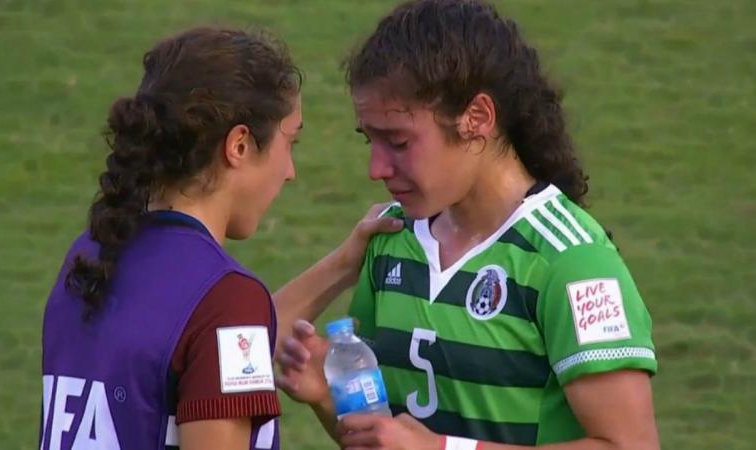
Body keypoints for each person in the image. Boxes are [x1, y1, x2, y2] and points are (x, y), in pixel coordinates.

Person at [276, 1, 661, 449]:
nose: (376, 168)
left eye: (398, 142)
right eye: (370, 140)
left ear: (477, 118)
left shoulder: (573, 261)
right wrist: (329, 399)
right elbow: (384, 437)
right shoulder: (391, 244)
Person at [39, 27, 400, 450]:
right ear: (240, 146)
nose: (290, 171)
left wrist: (344, 264)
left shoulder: (93, 252)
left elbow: (214, 342)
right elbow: (220, 328)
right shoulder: (224, 300)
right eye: (290, 142)